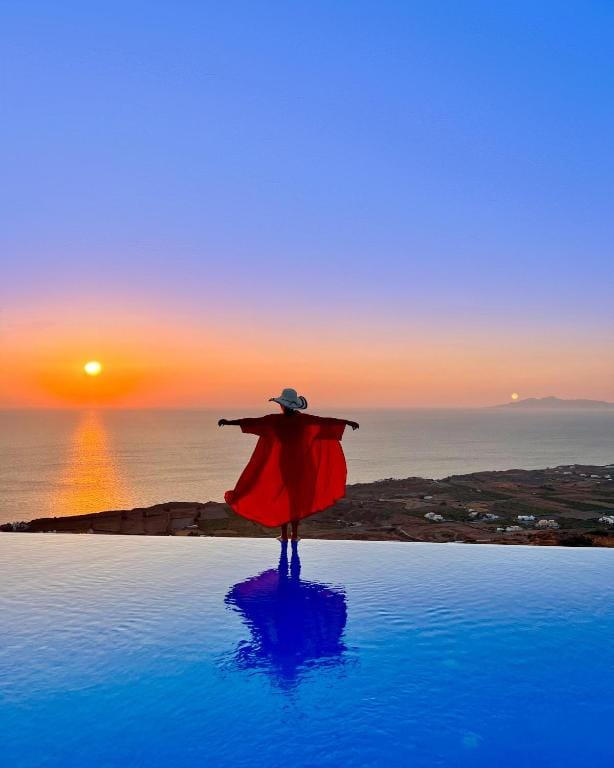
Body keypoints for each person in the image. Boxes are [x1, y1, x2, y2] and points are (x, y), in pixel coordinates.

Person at [219, 387, 359, 540]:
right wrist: (347, 422)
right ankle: (293, 534)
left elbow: (253, 422)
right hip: (303, 464)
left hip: (286, 463)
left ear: (282, 405)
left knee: (287, 497)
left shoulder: (276, 420)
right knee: (295, 498)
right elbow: (325, 422)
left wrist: (229, 422)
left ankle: (285, 534)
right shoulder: (301, 419)